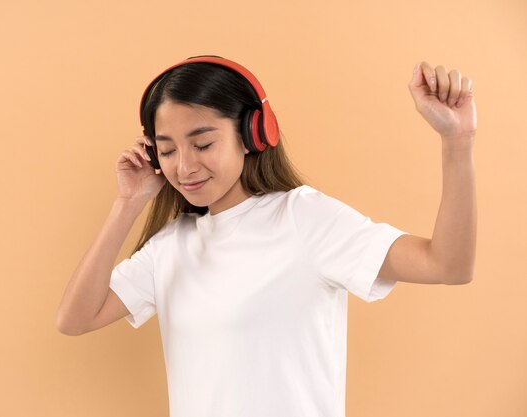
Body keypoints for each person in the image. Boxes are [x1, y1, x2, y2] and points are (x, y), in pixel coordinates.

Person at [56, 55, 477, 417]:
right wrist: (128, 203)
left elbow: (447, 265)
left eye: (202, 144)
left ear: (254, 133)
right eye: (167, 151)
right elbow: (75, 320)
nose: (183, 167)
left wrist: (457, 142)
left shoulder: (304, 218)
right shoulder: (170, 245)